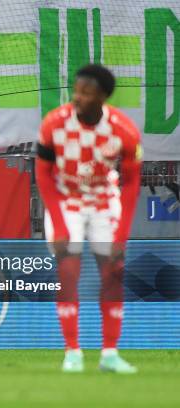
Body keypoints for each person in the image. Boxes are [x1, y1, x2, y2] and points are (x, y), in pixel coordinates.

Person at [35, 64, 142, 373]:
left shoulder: (124, 130)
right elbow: (42, 172)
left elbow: (132, 182)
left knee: (113, 273)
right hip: (65, 200)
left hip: (103, 202)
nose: (77, 97)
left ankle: (109, 354)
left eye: (86, 92)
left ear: (103, 97)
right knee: (68, 270)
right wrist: (56, 218)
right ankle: (72, 353)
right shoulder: (54, 123)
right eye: (77, 90)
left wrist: (121, 235)